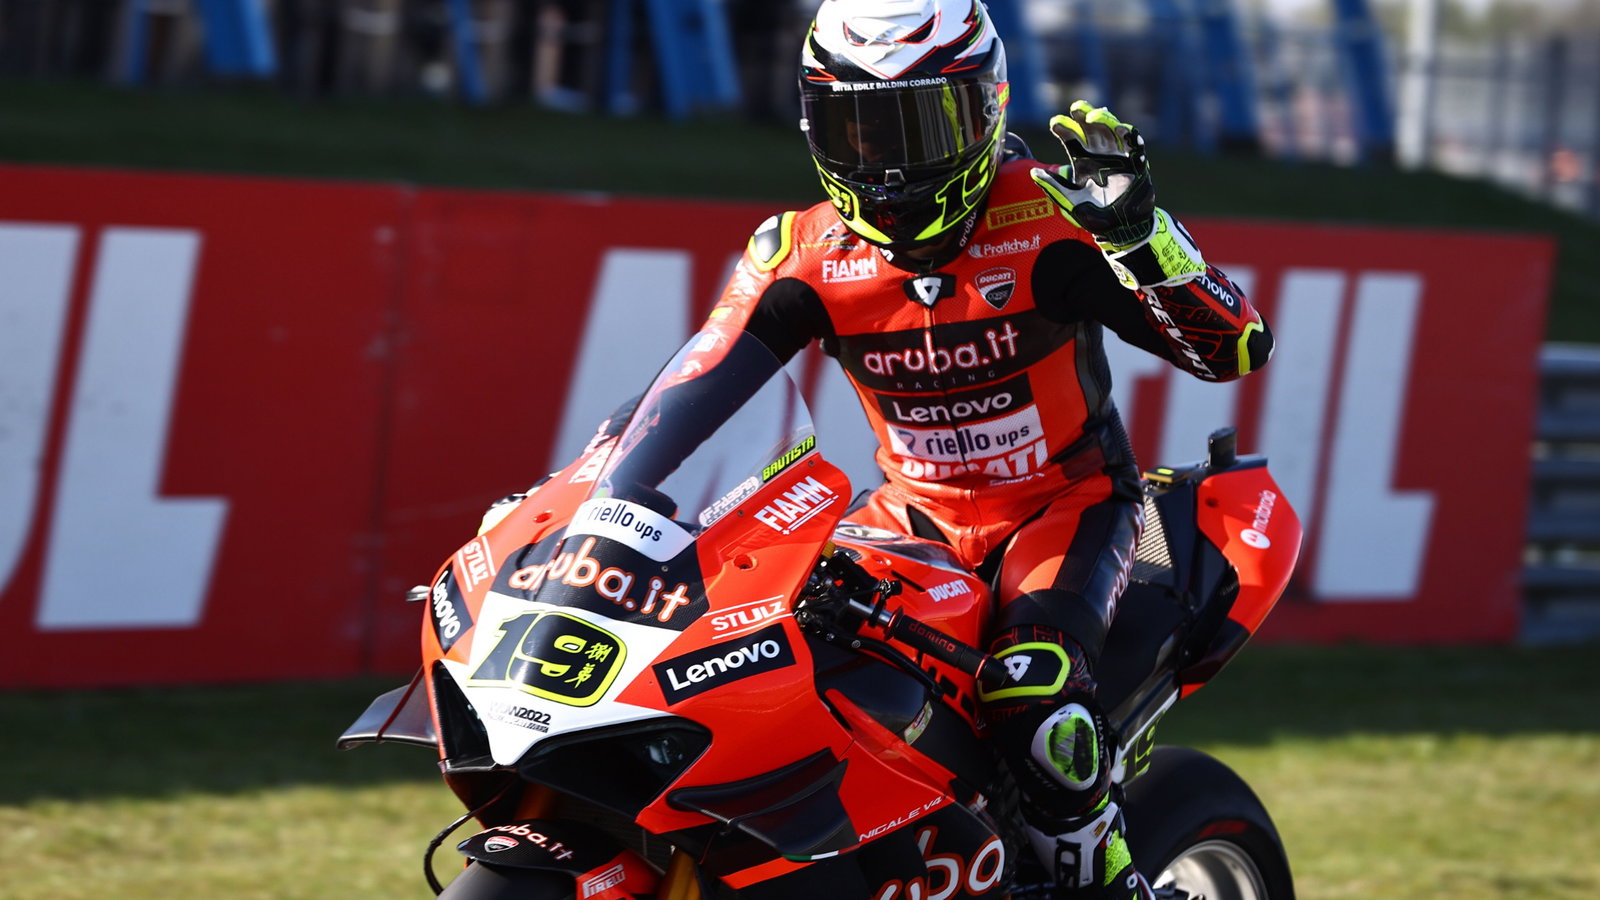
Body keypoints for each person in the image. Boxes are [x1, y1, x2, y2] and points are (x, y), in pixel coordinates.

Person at [623, 1, 1273, 896]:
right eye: (860, 128)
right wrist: (601, 501)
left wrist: (1142, 240)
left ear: (988, 107)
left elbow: (1235, 349)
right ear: (816, 125)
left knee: (1033, 689)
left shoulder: (1055, 214)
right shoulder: (798, 251)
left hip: (1064, 509)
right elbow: (690, 389)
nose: (890, 163)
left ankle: (1108, 883)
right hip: (905, 521)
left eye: (921, 124)